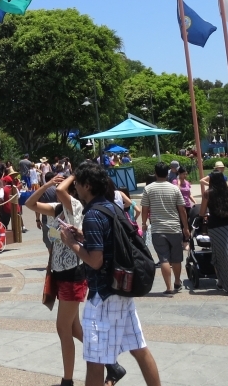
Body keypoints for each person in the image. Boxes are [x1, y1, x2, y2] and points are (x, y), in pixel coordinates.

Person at [60, 161, 162, 386]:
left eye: (77, 183)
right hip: (122, 288)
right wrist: (83, 236)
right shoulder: (111, 206)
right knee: (140, 349)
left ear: (87, 185)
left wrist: (71, 243)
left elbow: (95, 261)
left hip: (104, 295)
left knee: (95, 361)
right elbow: (108, 244)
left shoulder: (93, 215)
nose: (74, 187)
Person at [24, 173, 87, 386]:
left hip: (73, 273)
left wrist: (74, 173)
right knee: (75, 328)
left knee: (63, 328)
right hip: (60, 273)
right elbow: (29, 203)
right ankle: (109, 361)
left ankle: (67, 380)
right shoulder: (56, 208)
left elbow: (62, 192)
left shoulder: (76, 206)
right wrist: (47, 184)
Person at [140, 162, 189, 294]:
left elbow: (145, 208)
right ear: (167, 173)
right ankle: (177, 281)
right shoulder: (174, 188)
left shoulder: (148, 189)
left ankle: (169, 287)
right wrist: (186, 227)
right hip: (174, 227)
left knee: (164, 258)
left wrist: (144, 223)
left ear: (155, 173)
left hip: (157, 229)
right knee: (177, 258)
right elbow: (182, 210)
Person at [197, 172, 228, 297]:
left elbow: (202, 212)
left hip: (216, 228)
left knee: (221, 256)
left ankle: (227, 283)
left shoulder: (208, 193)